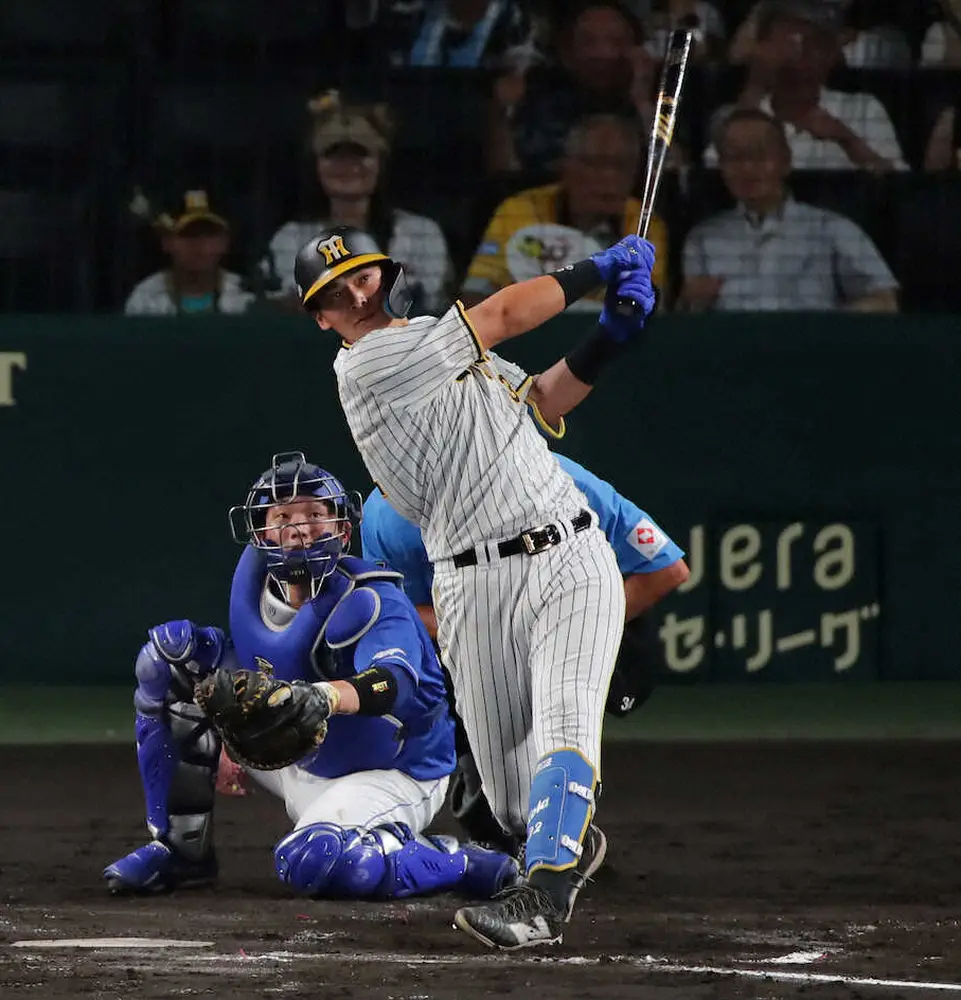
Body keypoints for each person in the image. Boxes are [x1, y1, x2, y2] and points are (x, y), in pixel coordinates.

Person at [292, 222, 657, 949]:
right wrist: (598, 269)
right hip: (470, 581)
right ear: (322, 317)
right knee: (509, 796)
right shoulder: (373, 364)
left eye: (361, 277)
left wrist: (611, 335)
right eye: (335, 292)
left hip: (568, 552)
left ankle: (542, 900)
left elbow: (545, 399)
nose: (355, 295)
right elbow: (501, 316)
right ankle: (559, 832)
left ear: (385, 275)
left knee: (564, 718)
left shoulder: (446, 353)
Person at [103, 453, 518, 903]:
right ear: (261, 532)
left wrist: (322, 698)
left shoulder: (372, 599)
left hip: (389, 768)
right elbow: (254, 670)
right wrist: (218, 729)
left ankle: (459, 861)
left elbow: (391, 682)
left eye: (315, 515)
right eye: (282, 516)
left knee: (315, 860)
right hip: (297, 752)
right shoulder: (256, 589)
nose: (299, 529)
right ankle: (180, 850)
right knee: (167, 658)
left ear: (341, 530)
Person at [361, 449, 689, 852]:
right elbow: (403, 614)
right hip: (472, 638)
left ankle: (562, 813)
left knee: (557, 712)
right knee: (493, 815)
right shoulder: (393, 513)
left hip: (600, 621)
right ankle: (481, 779)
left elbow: (666, 570)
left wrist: (567, 628)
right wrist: (486, 634)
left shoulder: (561, 478)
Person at [681, 109, 899, 313]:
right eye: (734, 157)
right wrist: (690, 303)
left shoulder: (832, 228)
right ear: (721, 167)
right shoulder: (702, 239)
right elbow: (687, 316)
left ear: (786, 161)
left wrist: (824, 328)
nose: (747, 168)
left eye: (759, 155)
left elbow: (884, 300)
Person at [264, 91, 452, 315]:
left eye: (359, 154)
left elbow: (421, 305)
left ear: (380, 163)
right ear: (316, 166)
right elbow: (289, 307)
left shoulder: (421, 232)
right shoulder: (291, 238)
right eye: (334, 155)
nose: (348, 166)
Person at [463, 114, 669, 307]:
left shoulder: (646, 225)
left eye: (621, 165)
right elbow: (475, 294)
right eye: (596, 164)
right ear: (567, 167)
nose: (609, 176)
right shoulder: (519, 211)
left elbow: (647, 305)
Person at [711, 0, 907, 171]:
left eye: (813, 44)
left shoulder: (864, 109)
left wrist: (847, 140)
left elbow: (902, 186)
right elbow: (711, 172)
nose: (798, 55)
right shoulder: (742, 115)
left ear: (830, 56)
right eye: (788, 42)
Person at [485, 0, 660, 174]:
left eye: (617, 42)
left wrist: (643, 102)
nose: (602, 53)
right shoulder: (535, 97)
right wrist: (500, 115)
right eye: (588, 42)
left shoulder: (655, 99)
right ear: (566, 52)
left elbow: (672, 172)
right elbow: (506, 178)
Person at [124, 190, 254, 316]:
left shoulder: (245, 294)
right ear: (166, 242)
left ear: (225, 243)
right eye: (188, 234)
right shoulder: (145, 297)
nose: (198, 244)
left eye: (209, 234)